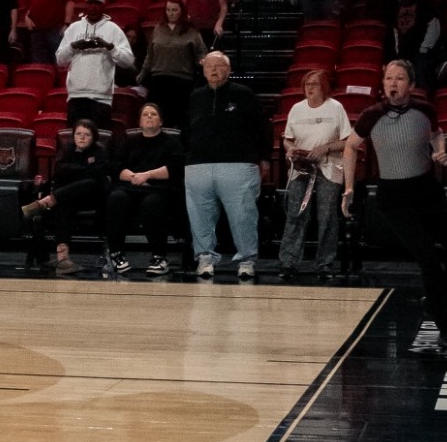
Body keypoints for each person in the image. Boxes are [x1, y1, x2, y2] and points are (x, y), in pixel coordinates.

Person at [343, 60, 447, 354]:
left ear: (410, 85)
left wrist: (440, 150)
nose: (394, 83)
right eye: (389, 78)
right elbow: (351, 146)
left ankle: (436, 297)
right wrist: (348, 188)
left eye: (400, 78)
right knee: (428, 260)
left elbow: (437, 133)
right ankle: (445, 327)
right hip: (395, 199)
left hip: (427, 192)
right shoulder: (372, 115)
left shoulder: (424, 109)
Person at [186, 52, 271, 280]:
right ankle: (205, 258)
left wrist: (264, 158)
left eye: (219, 66)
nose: (214, 70)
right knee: (199, 216)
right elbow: (186, 131)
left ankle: (247, 260)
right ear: (203, 70)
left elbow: (263, 128)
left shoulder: (245, 95)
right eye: (209, 66)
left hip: (239, 165)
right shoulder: (194, 96)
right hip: (198, 166)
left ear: (229, 70)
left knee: (243, 215)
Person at [279, 70, 352, 281]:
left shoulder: (336, 108)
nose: (309, 88)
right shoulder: (296, 109)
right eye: (307, 84)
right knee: (295, 214)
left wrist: (326, 148)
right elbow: (288, 139)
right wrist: (289, 149)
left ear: (324, 87)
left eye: (315, 84)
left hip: (328, 167)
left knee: (327, 215)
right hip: (301, 168)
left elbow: (348, 141)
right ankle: (288, 262)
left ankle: (325, 263)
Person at [106, 103, 185, 276]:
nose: (149, 116)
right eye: (145, 114)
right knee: (116, 198)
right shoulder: (129, 142)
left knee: (152, 202)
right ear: (139, 122)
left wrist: (147, 175)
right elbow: (116, 166)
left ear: (161, 121)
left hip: (160, 189)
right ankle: (116, 254)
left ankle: (159, 257)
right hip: (131, 187)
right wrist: (136, 177)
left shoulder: (171, 143)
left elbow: (176, 169)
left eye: (153, 114)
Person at [22, 119, 109, 275]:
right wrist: (85, 168)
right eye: (78, 134)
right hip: (68, 198)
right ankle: (63, 259)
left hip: (92, 200)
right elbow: (60, 171)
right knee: (64, 203)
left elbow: (97, 176)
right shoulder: (67, 150)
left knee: (89, 183)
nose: (82, 138)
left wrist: (76, 171)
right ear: (73, 136)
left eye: (87, 135)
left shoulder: (100, 151)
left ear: (93, 137)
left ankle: (44, 202)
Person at [138, 0, 205, 137]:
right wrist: (142, 73)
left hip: (182, 82)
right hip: (159, 81)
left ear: (181, 11)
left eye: (174, 10)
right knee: (159, 118)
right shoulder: (158, 29)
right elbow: (150, 55)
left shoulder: (191, 31)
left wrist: (203, 61)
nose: (171, 13)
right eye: (168, 10)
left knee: (182, 120)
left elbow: (201, 53)